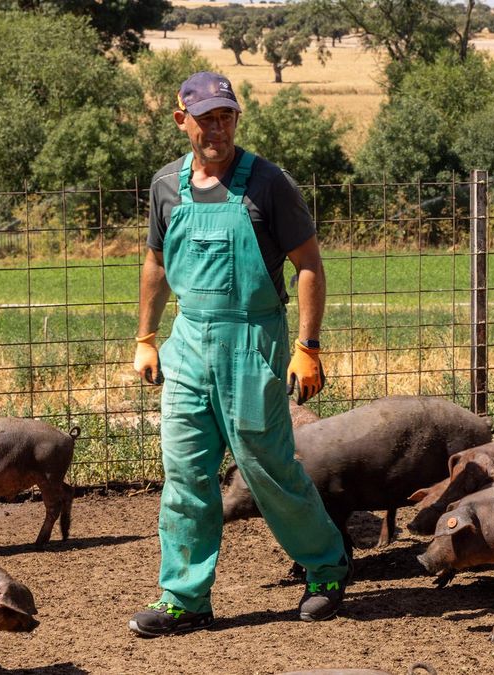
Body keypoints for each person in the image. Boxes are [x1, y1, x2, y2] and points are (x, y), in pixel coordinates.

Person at [128, 71, 349, 637]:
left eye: (225, 117)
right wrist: (147, 338)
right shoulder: (165, 186)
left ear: (235, 120)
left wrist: (308, 347)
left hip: (253, 342)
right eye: (205, 119)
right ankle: (185, 599)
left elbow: (309, 267)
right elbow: (155, 264)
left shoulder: (268, 184)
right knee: (185, 475)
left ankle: (326, 566)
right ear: (182, 121)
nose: (216, 129)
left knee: (265, 466)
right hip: (187, 346)